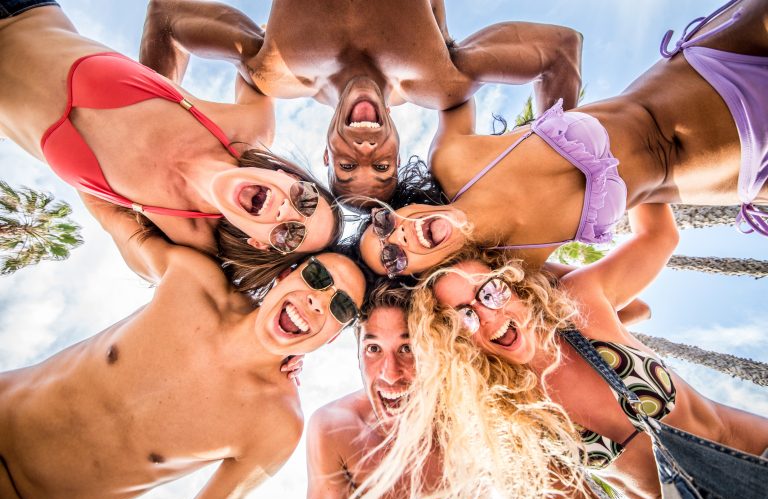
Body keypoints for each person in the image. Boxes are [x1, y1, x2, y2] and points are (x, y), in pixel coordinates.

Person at [347, 203, 768, 499]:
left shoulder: (581, 306)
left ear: (515, 284)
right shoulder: (513, 415)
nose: (488, 316)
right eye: (465, 316)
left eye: (491, 292)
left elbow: (658, 236)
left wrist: (626, 145)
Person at [0, 193, 366, 499]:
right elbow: (110, 212)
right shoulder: (193, 280)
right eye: (318, 277)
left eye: (341, 307)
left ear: (332, 337)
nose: (318, 302)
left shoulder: (276, 425)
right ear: (286, 275)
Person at [358, 0, 768, 276]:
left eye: (383, 223)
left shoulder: (453, 158)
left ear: (402, 206)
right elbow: (624, 307)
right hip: (744, 170)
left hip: (713, 62)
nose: (398, 236)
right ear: (420, 276)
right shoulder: (519, 270)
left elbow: (446, 55)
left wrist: (557, 123)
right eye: (392, 257)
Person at [0, 1, 342, 278]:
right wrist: (154, 84)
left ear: (260, 244)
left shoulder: (182, 240)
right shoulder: (247, 128)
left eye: (290, 235)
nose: (286, 210)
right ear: (288, 176)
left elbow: (174, 283)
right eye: (305, 200)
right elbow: (168, 11)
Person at [139, 0, 583, 209]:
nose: (365, 152)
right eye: (382, 167)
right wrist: (556, 165)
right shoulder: (442, 81)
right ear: (397, 152)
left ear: (327, 154)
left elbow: (167, 17)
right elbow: (560, 50)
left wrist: (150, 124)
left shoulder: (273, 70)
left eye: (347, 167)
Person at [307, 279, 425, 499]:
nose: (390, 374)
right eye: (374, 349)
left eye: (407, 348)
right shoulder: (334, 429)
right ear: (358, 356)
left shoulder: (470, 426)